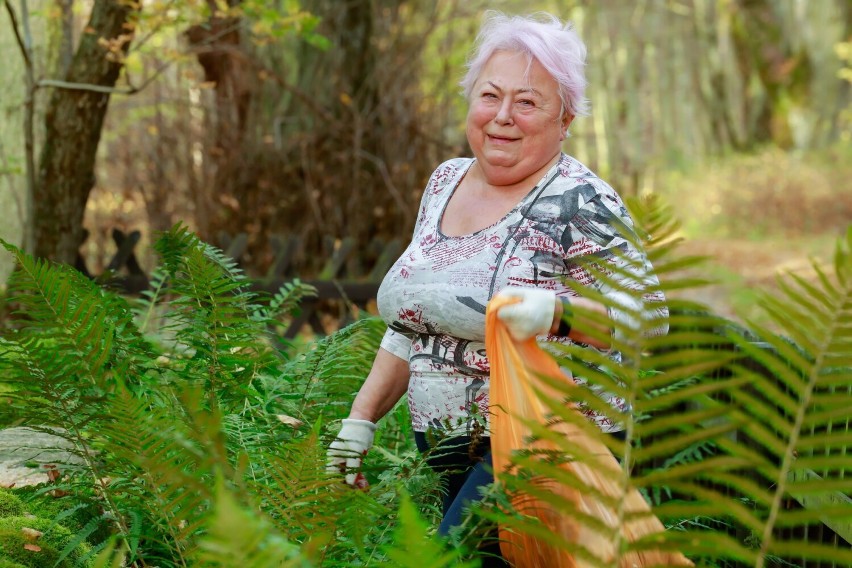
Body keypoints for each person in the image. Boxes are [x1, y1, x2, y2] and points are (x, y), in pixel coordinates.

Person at [327, 10, 668, 564]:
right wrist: (359, 421)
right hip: (441, 447)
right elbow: (412, 321)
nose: (503, 117)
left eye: (528, 102)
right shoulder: (444, 182)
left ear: (566, 119)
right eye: (490, 96)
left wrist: (559, 311)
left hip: (542, 440)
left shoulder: (582, 201)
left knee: (445, 560)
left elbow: (648, 317)